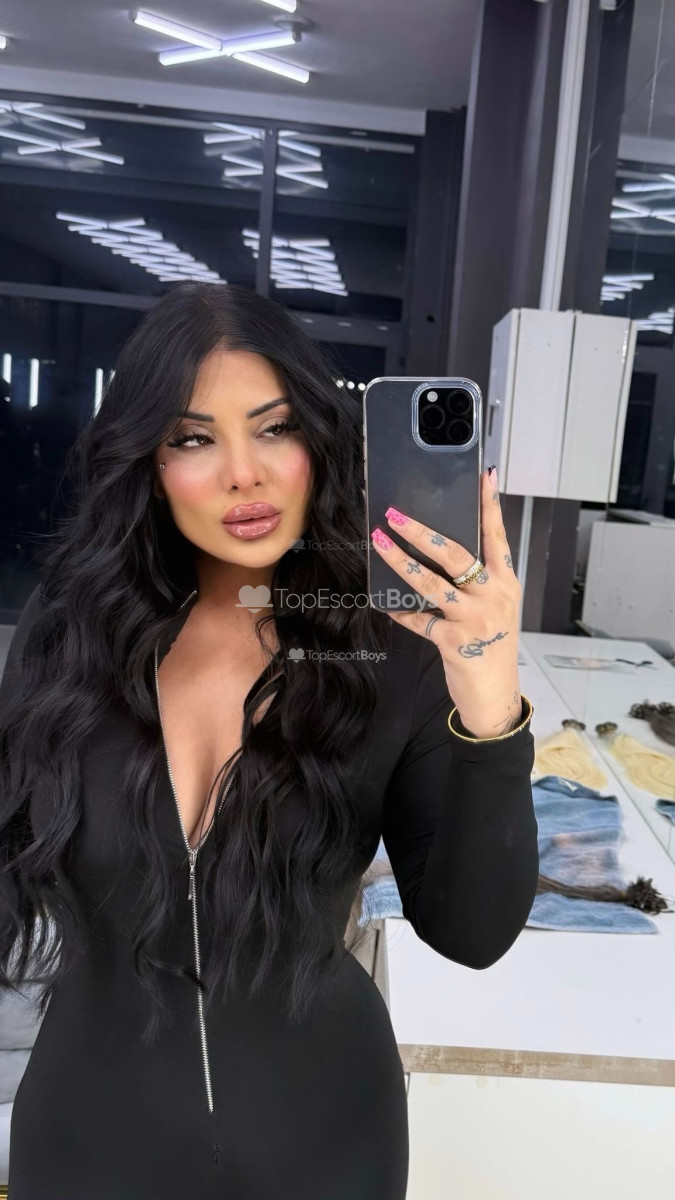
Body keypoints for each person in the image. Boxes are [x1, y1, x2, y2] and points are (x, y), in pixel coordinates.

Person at [0, 282, 538, 1200]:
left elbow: (472, 933)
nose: (242, 474)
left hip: (326, 1142)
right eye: (193, 439)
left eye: (274, 428)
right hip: (90, 1139)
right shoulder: (71, 631)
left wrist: (489, 702)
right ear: (149, 463)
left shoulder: (390, 646)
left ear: (317, 442)